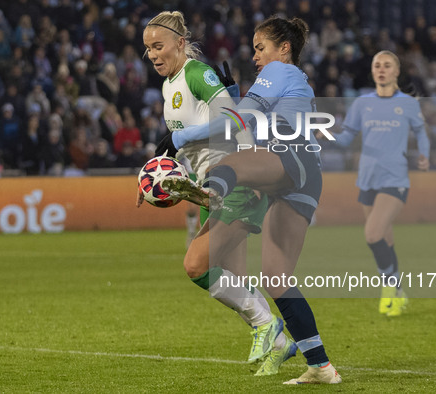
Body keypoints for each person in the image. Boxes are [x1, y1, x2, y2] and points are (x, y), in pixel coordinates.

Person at [157, 16, 341, 384]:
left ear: (283, 48)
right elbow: (248, 119)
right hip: (303, 176)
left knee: (233, 164)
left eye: (260, 47)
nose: (255, 55)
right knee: (276, 277)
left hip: (290, 155)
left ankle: (211, 191)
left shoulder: (280, 71)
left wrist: (183, 137)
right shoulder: (284, 80)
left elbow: (238, 119)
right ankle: (321, 366)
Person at [138, 11, 294, 376]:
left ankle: (268, 326)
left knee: (196, 265)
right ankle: (282, 343)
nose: (154, 55)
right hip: (212, 185)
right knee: (232, 278)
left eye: (159, 46)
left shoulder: (196, 73)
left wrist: (252, 170)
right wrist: (151, 180)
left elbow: (234, 119)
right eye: (147, 50)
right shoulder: (168, 85)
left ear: (180, 42)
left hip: (236, 178)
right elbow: (183, 147)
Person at [329, 50, 430, 316]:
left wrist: (424, 155)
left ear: (397, 71)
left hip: (395, 178)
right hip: (367, 178)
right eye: (377, 65)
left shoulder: (407, 104)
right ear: (372, 71)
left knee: (372, 234)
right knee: (384, 237)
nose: (381, 69)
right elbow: (346, 139)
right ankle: (399, 291)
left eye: (387, 65)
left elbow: (421, 132)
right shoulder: (362, 103)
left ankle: (388, 289)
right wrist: (323, 135)